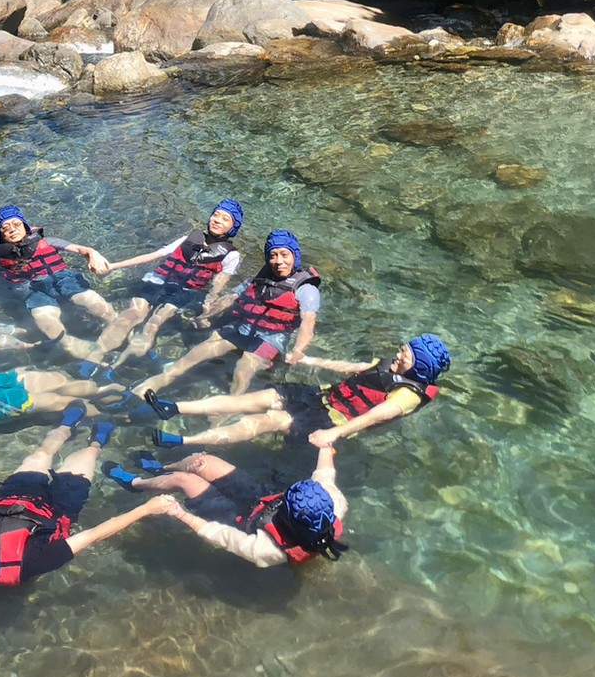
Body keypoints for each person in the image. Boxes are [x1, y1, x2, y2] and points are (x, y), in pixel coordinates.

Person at [0, 416, 174, 595]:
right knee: (86, 457)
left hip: (14, 497)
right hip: (58, 510)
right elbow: (93, 535)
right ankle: (96, 443)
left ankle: (66, 426)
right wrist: (145, 509)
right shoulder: (33, 561)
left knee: (41, 455)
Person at [144, 335, 452, 450]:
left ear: (421, 367)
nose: (398, 354)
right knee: (253, 399)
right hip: (319, 395)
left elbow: (376, 416)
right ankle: (174, 407)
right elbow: (352, 368)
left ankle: (185, 441)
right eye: (402, 349)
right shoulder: (390, 366)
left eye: (406, 355)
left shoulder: (409, 395)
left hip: (332, 421)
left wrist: (335, 434)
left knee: (265, 421)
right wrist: (311, 360)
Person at [134, 230, 321, 399]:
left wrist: (298, 351)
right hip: (244, 328)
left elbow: (308, 323)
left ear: (295, 256)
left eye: (284, 255)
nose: (279, 261)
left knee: (244, 368)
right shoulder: (259, 279)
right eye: (273, 255)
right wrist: (205, 316)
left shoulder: (306, 289)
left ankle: (226, 411)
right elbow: (230, 298)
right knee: (197, 352)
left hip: (271, 337)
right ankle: (156, 382)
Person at [103, 444, 348, 568]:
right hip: (263, 500)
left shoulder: (267, 550)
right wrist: (325, 447)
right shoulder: (333, 502)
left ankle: (135, 484)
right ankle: (161, 470)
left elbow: (217, 534)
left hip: (239, 521)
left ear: (288, 517)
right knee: (202, 462)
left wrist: (179, 513)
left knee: (184, 480)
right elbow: (324, 474)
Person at [0, 205, 118, 360]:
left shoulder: (49, 241)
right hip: (32, 292)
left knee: (89, 300)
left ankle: (118, 326)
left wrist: (94, 255)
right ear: (1, 235)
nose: (12, 229)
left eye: (16, 224)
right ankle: (80, 349)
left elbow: (83, 250)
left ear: (25, 226)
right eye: (5, 228)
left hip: (62, 279)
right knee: (46, 321)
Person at [86, 199, 244, 368]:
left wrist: (207, 309)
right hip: (159, 280)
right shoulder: (188, 239)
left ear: (232, 228)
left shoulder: (231, 255)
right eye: (216, 215)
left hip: (186, 291)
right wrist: (113, 266)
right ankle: (94, 357)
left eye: (225, 219)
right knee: (132, 314)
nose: (217, 220)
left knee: (155, 322)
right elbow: (154, 255)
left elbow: (219, 284)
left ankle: (116, 366)